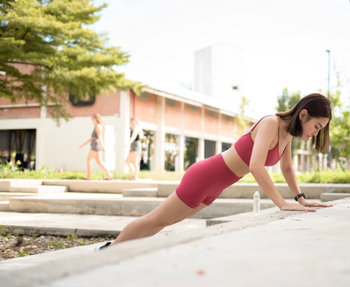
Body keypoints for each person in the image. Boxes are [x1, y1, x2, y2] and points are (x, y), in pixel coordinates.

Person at [99, 93, 332, 249]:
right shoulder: (271, 123)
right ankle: (110, 252)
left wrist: (300, 198)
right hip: (204, 177)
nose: (315, 133)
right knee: (155, 220)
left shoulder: (287, 134)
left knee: (160, 224)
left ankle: (120, 254)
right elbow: (255, 166)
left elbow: (287, 167)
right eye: (316, 126)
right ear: (303, 115)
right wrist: (281, 202)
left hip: (214, 189)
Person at [79, 113, 113, 180]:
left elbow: (99, 136)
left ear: (96, 118)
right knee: (99, 162)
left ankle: (88, 176)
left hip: (96, 145)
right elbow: (92, 138)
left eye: (93, 118)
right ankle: (109, 174)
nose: (92, 120)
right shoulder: (96, 126)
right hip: (95, 144)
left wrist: (102, 145)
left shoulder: (98, 126)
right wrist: (83, 144)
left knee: (88, 159)